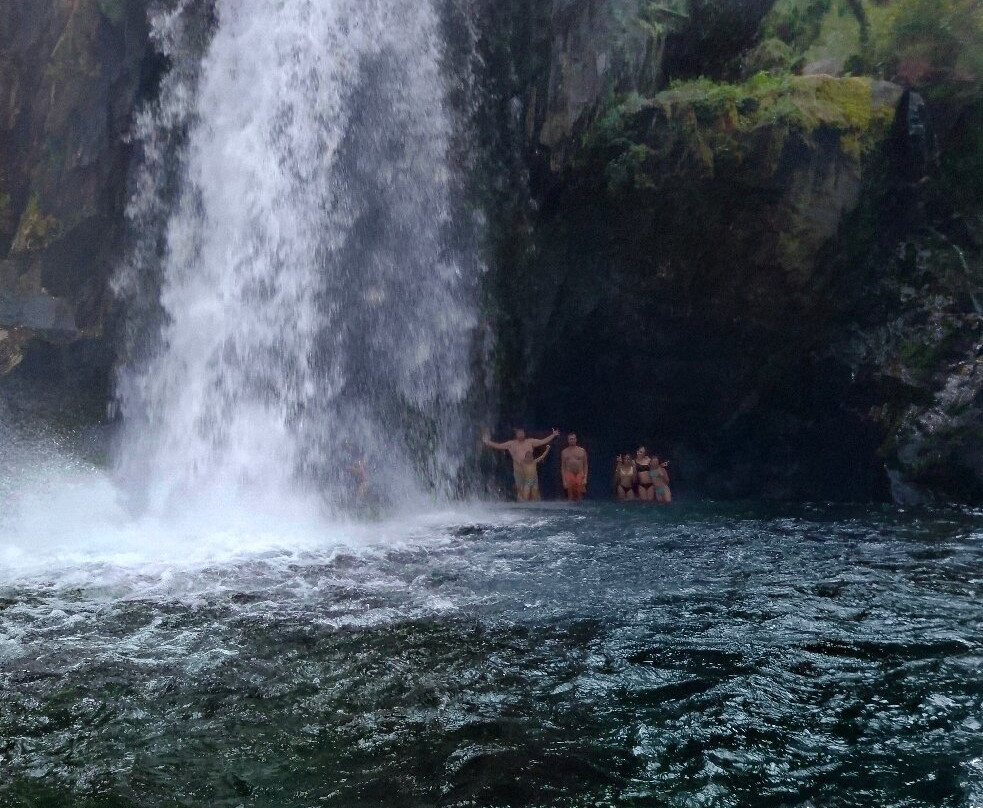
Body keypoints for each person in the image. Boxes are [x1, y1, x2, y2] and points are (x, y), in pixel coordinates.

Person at [483, 427, 560, 500]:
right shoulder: (511, 444)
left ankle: (535, 504)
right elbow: (498, 446)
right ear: (516, 435)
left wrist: (553, 435)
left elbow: (543, 441)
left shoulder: (530, 441)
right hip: (518, 468)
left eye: (522, 433)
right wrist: (487, 442)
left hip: (529, 469)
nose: (520, 435)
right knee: (520, 489)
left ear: (524, 434)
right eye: (519, 433)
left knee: (533, 490)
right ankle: (521, 505)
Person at [560, 433, 589, 502]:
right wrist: (564, 481)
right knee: (570, 493)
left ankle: (579, 508)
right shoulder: (564, 452)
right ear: (568, 440)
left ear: (576, 440)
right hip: (569, 473)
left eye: (573, 439)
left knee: (579, 492)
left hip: (579, 473)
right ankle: (570, 508)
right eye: (570, 439)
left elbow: (585, 465)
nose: (571, 440)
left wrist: (585, 478)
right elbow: (563, 467)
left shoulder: (582, 451)